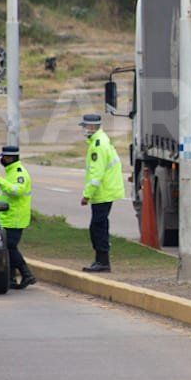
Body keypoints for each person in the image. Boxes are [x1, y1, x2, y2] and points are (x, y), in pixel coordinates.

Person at [79, 113, 125, 273]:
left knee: (97, 227)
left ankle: (102, 261)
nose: (84, 129)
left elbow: (96, 174)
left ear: (92, 127)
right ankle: (101, 260)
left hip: (103, 191)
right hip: (105, 190)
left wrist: (87, 195)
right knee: (99, 225)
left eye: (85, 126)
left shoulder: (98, 145)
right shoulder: (100, 140)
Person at [0, 145, 35, 289]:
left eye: (4, 157)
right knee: (7, 248)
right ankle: (11, 278)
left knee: (10, 247)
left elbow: (17, 191)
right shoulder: (10, 172)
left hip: (15, 217)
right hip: (7, 216)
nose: (2, 160)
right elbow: (6, 195)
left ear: (10, 158)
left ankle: (26, 274)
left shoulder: (19, 173)